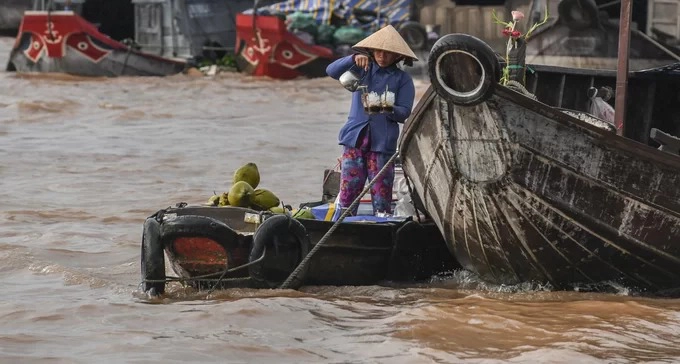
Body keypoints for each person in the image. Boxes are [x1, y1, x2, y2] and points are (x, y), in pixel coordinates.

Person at [326, 25, 417, 215]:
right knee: (348, 192)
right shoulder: (361, 69)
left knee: (381, 195)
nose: (382, 56)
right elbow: (331, 71)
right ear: (371, 51)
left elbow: (405, 112)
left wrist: (386, 107)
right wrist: (352, 58)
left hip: (382, 146)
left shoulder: (402, 79)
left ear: (397, 56)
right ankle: (342, 225)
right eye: (378, 51)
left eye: (387, 53)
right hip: (355, 140)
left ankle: (381, 223)